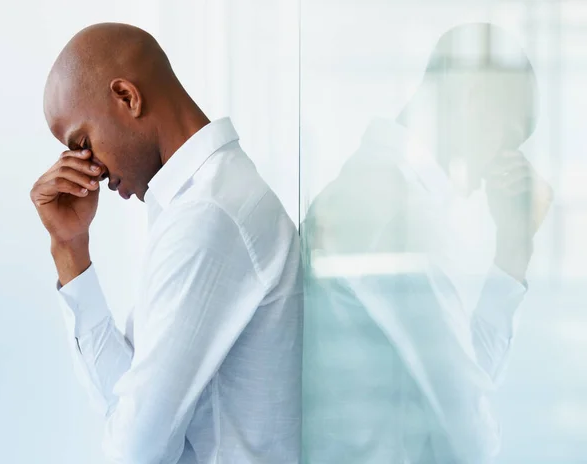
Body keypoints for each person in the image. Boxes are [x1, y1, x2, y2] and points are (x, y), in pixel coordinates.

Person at [30, 23, 303, 464]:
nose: (88, 169)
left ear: (127, 97)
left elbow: (136, 450)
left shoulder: (209, 215)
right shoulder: (197, 208)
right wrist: (69, 248)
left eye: (82, 143)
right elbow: (126, 404)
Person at [302, 23, 553, 463]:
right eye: (508, 137)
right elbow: (472, 438)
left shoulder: (378, 187)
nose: (506, 160)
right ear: (473, 100)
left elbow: (463, 376)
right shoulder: (400, 214)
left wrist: (515, 247)